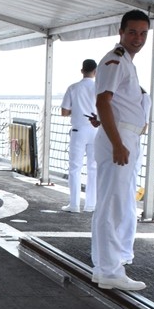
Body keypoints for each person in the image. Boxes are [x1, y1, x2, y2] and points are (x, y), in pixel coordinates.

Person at [90, 10, 151, 292]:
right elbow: (103, 101)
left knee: (115, 202)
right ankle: (110, 270)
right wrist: (117, 144)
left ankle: (105, 267)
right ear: (121, 32)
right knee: (113, 205)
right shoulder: (115, 60)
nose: (138, 38)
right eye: (133, 32)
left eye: (143, 33)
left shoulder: (125, 62)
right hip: (120, 137)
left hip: (124, 135)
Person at [60, 59, 98, 212]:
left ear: (82, 71)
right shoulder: (99, 88)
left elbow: (64, 112)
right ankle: (91, 205)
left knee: (75, 168)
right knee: (93, 168)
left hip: (78, 130)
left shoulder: (73, 88)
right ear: (95, 72)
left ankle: (74, 205)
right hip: (96, 130)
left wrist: (76, 110)